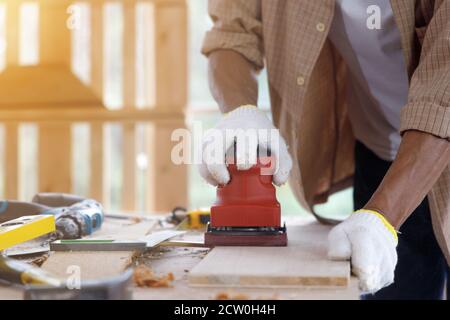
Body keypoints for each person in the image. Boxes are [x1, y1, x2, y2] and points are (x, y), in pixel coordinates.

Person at [198, 0, 450, 299]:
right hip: (378, 153)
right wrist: (240, 114)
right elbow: (231, 32)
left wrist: (383, 217)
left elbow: (443, 95)